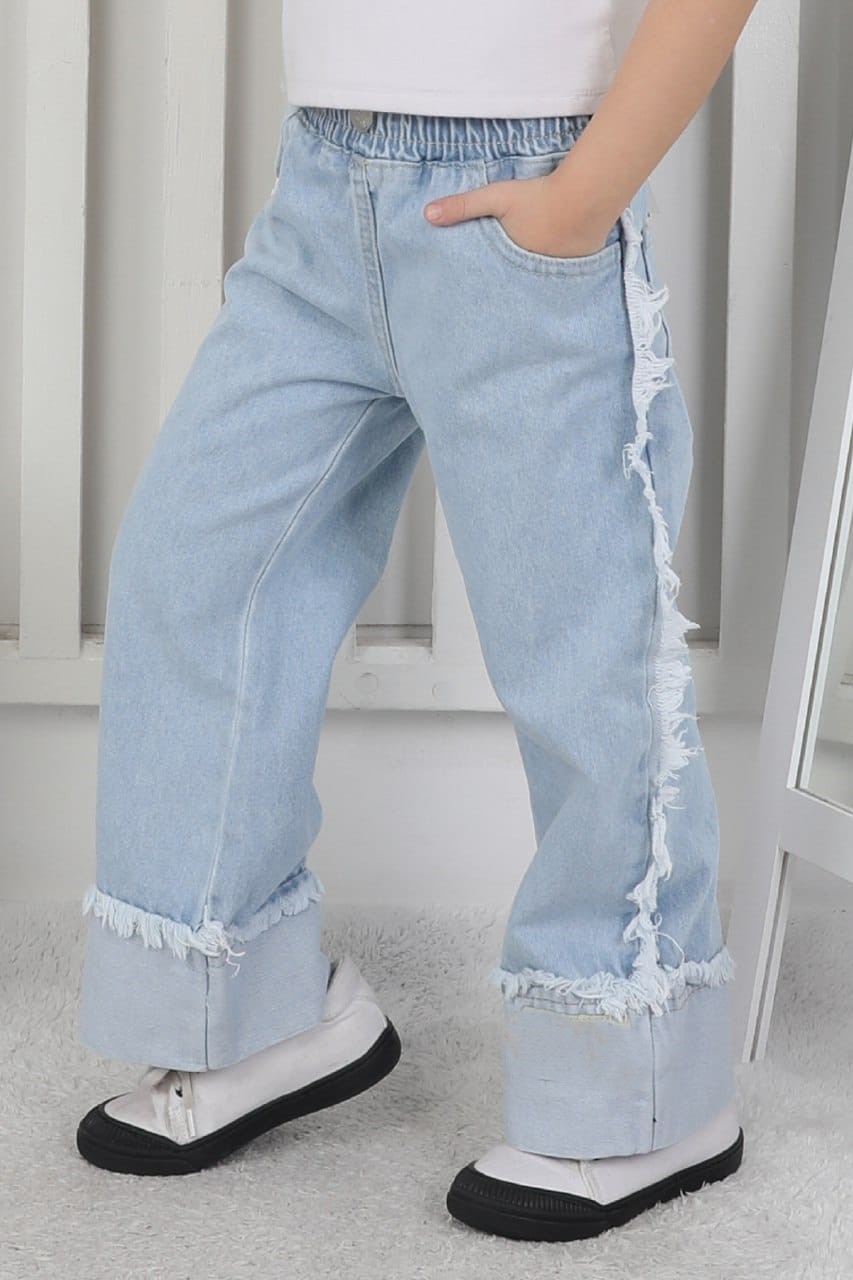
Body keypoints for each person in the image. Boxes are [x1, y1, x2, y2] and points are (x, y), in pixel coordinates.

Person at [74, 0, 757, 1243]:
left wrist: (581, 198)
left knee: (582, 646)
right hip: (322, 181)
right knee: (197, 576)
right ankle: (256, 1013)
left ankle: (644, 1082)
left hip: (529, 180)